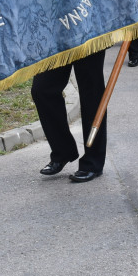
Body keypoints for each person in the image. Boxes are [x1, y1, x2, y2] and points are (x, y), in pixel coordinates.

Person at [33, 50, 107, 182]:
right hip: (57, 35)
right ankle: (63, 151)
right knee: (42, 88)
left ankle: (93, 162)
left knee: (91, 93)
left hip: (88, 34)